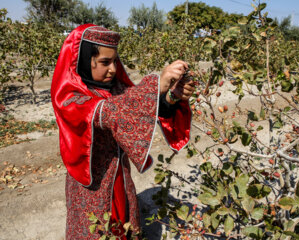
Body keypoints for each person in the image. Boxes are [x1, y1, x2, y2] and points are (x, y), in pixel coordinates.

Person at [51, 24, 195, 239]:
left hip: (119, 175)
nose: (112, 69)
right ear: (81, 60)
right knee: (95, 227)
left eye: (115, 61)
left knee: (122, 222)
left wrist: (172, 95)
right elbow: (106, 112)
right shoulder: (69, 97)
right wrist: (157, 84)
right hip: (91, 184)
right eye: (104, 62)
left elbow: (142, 107)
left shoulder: (115, 87)